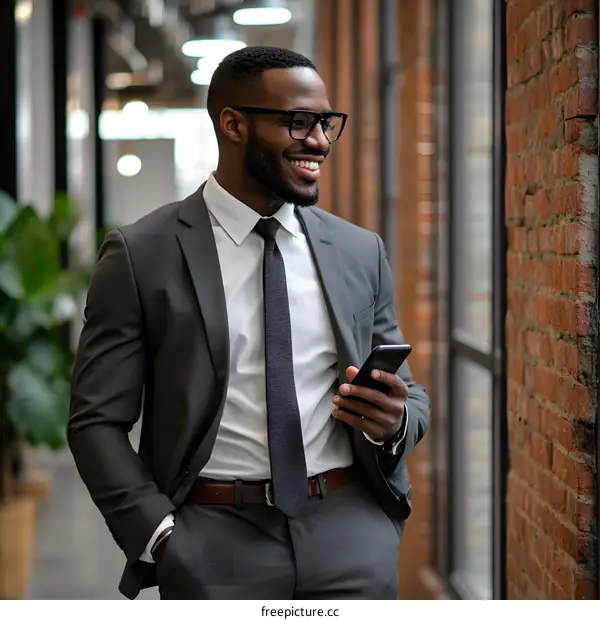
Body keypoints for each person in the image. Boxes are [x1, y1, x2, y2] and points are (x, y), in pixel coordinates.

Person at [68, 45, 429, 601]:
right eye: (298, 122)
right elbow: (96, 421)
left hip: (350, 534)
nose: (320, 142)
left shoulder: (358, 251)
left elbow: (411, 394)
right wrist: (160, 538)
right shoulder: (142, 254)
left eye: (326, 123)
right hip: (212, 542)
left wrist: (395, 421)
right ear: (233, 124)